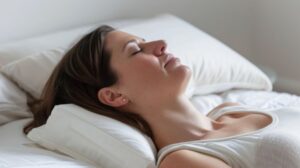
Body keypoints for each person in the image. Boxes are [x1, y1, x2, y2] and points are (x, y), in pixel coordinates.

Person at [24, 25, 300, 168]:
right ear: (114, 95)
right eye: (136, 50)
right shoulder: (183, 161)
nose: (160, 45)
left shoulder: (230, 110)